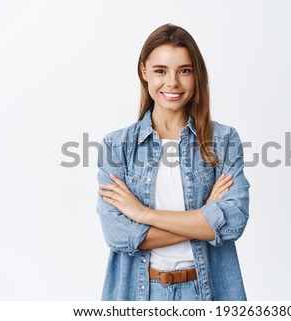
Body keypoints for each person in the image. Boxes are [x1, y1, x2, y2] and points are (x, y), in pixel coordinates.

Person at [97, 23, 250, 301]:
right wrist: (205, 217)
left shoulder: (224, 140)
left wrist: (143, 215)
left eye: (184, 70)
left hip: (205, 292)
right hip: (141, 294)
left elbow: (233, 223)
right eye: (160, 71)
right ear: (143, 71)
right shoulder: (116, 146)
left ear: (196, 74)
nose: (172, 83)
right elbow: (118, 234)